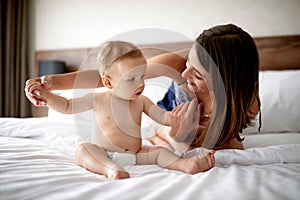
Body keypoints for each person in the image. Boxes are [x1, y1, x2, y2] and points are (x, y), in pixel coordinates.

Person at [25, 24, 260, 151]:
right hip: (163, 125)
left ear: (225, 82)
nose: (185, 73)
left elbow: (230, 140)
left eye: (197, 74)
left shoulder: (246, 103)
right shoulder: (177, 64)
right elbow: (114, 78)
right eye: (189, 62)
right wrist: (52, 82)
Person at [33, 40, 215, 179]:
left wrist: (178, 118)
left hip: (136, 154)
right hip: (105, 153)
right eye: (131, 79)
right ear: (108, 82)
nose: (141, 84)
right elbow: (66, 106)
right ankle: (110, 169)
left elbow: (163, 117)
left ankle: (186, 165)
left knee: (160, 152)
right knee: (83, 149)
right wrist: (48, 97)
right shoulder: (98, 99)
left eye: (143, 76)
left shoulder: (141, 101)